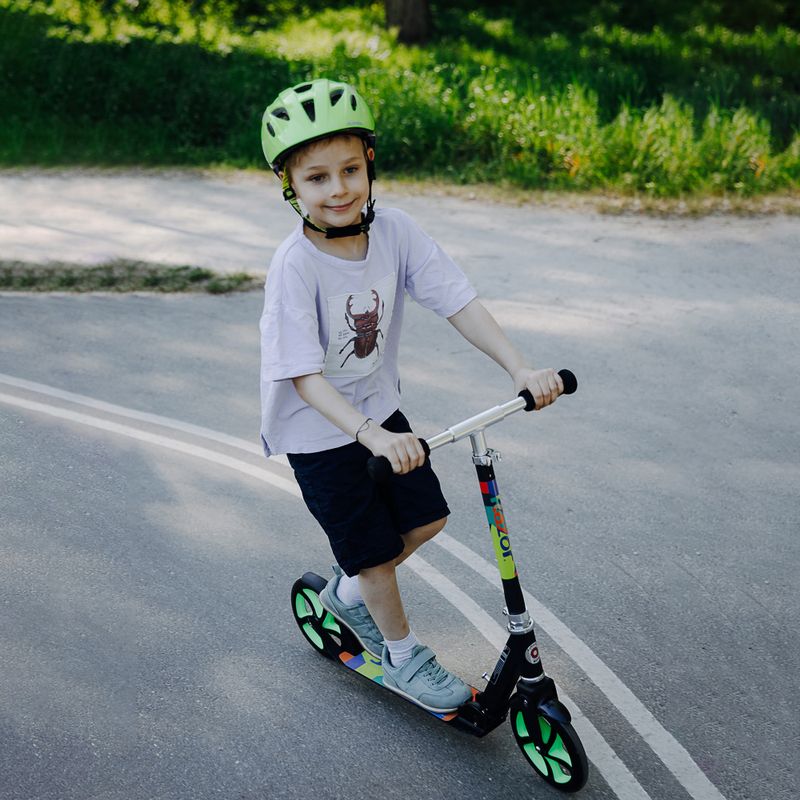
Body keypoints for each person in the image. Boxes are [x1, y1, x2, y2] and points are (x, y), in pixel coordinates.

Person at [259, 79, 564, 713]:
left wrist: (519, 367)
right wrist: (369, 434)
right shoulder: (295, 265)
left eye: (349, 169)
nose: (338, 188)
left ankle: (346, 596)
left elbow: (456, 298)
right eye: (317, 178)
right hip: (321, 433)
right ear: (292, 187)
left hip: (378, 417)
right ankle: (401, 656)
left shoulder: (394, 231)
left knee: (428, 520)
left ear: (369, 162)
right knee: (375, 557)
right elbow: (302, 375)